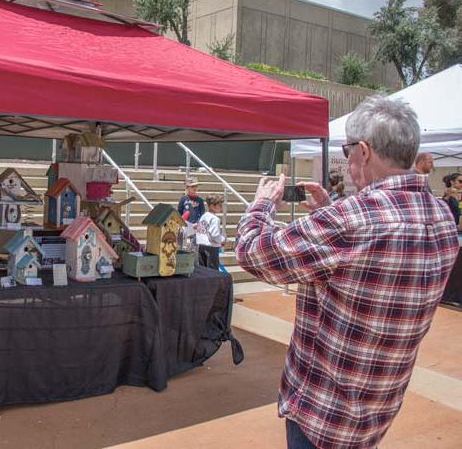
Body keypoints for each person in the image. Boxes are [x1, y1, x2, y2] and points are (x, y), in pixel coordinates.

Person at [235, 95, 459, 449]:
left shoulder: (349, 221)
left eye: (348, 150)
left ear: (364, 151)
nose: (347, 158)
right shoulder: (442, 217)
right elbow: (374, 248)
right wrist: (331, 209)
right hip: (379, 406)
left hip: (323, 413)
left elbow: (253, 253)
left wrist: (261, 205)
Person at [196, 195, 227, 273]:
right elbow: (215, 235)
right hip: (211, 248)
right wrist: (223, 240)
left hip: (201, 245)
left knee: (202, 270)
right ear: (212, 206)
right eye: (219, 205)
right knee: (213, 271)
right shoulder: (215, 219)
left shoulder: (203, 216)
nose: (221, 207)